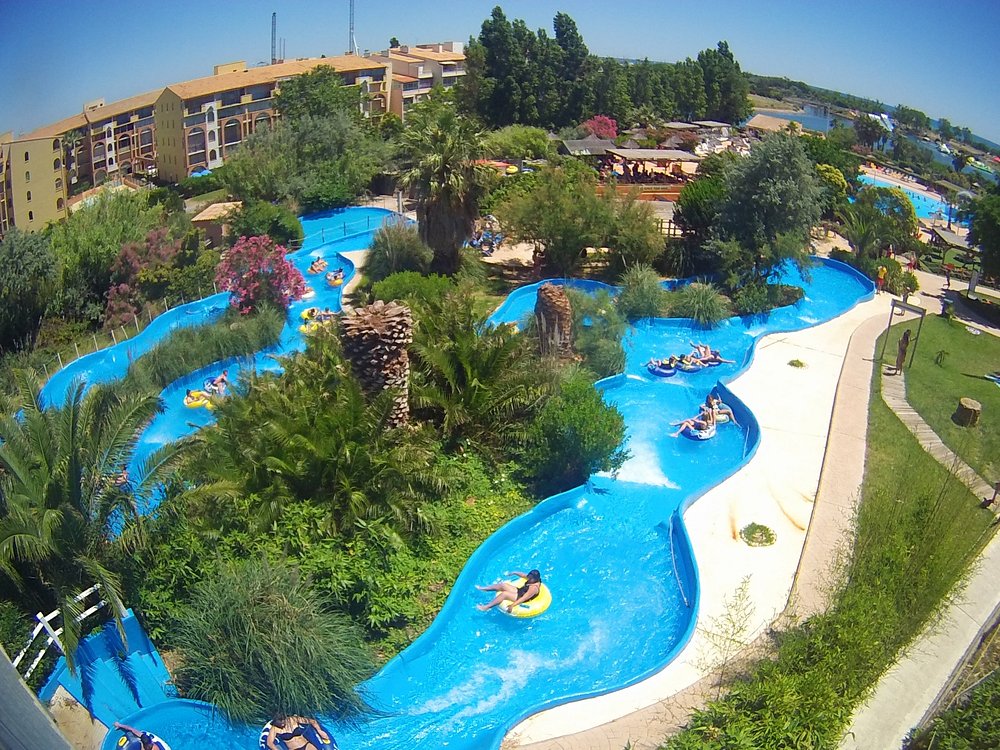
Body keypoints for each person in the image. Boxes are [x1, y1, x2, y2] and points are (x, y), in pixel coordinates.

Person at [476, 569, 542, 612]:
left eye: (531, 578)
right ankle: (484, 589)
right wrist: (514, 572)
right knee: (503, 585)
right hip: (520, 591)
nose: (529, 579)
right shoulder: (532, 578)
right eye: (529, 577)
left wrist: (512, 605)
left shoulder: (533, 588)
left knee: (504, 594)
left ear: (535, 579)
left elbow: (524, 598)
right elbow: (523, 575)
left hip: (521, 597)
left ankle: (486, 607)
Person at [265, 715, 334, 750]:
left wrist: (319, 731)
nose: (282, 725)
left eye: (283, 723)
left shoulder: (293, 719)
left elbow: (312, 721)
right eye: (279, 724)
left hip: (306, 745)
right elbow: (269, 743)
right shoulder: (274, 729)